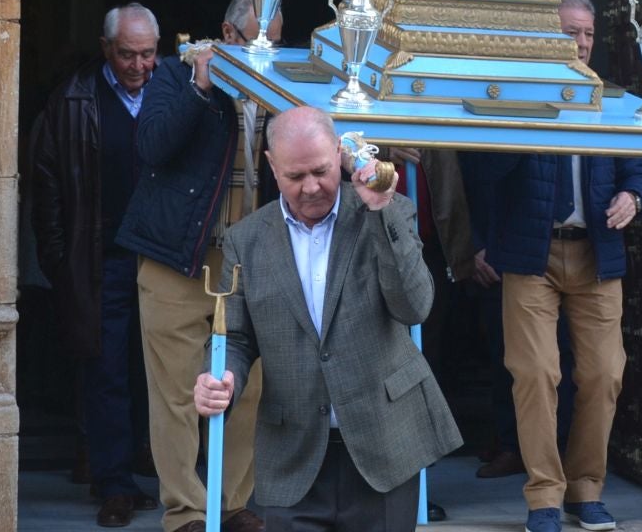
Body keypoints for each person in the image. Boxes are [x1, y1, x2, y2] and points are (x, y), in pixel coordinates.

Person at [192, 106, 461, 531]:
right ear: (271, 166)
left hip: (385, 445)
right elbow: (236, 337)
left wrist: (380, 208)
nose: (312, 187)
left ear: (339, 155)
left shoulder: (390, 211)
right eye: (296, 177)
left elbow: (414, 308)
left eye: (321, 170)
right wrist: (219, 377)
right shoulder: (247, 240)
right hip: (293, 455)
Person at [461, 0, 642, 532]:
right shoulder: (515, 96)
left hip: (596, 256)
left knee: (604, 373)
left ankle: (586, 489)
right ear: (547, 35)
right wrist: (525, 122)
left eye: (588, 34)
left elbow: (637, 170)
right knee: (537, 373)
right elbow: (481, 174)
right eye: (571, 32)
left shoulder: (611, 99)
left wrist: (633, 198)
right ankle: (544, 496)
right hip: (531, 257)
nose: (582, 43)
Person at [116, 0, 283, 532]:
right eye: (254, 39)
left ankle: (234, 505)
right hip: (177, 259)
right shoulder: (174, 75)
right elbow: (153, 146)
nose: (264, 52)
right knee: (175, 393)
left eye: (274, 41)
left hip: (250, 263)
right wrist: (201, 87)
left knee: (251, 386)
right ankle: (186, 512)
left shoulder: (286, 86)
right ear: (227, 35)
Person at [29, 3, 164, 524]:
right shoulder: (72, 100)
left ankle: (147, 469)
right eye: (128, 54)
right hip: (101, 260)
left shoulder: (172, 93)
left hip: (162, 260)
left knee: (154, 368)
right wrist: (61, 265)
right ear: (107, 48)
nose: (138, 66)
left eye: (148, 54)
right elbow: (48, 189)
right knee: (104, 370)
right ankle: (113, 484)